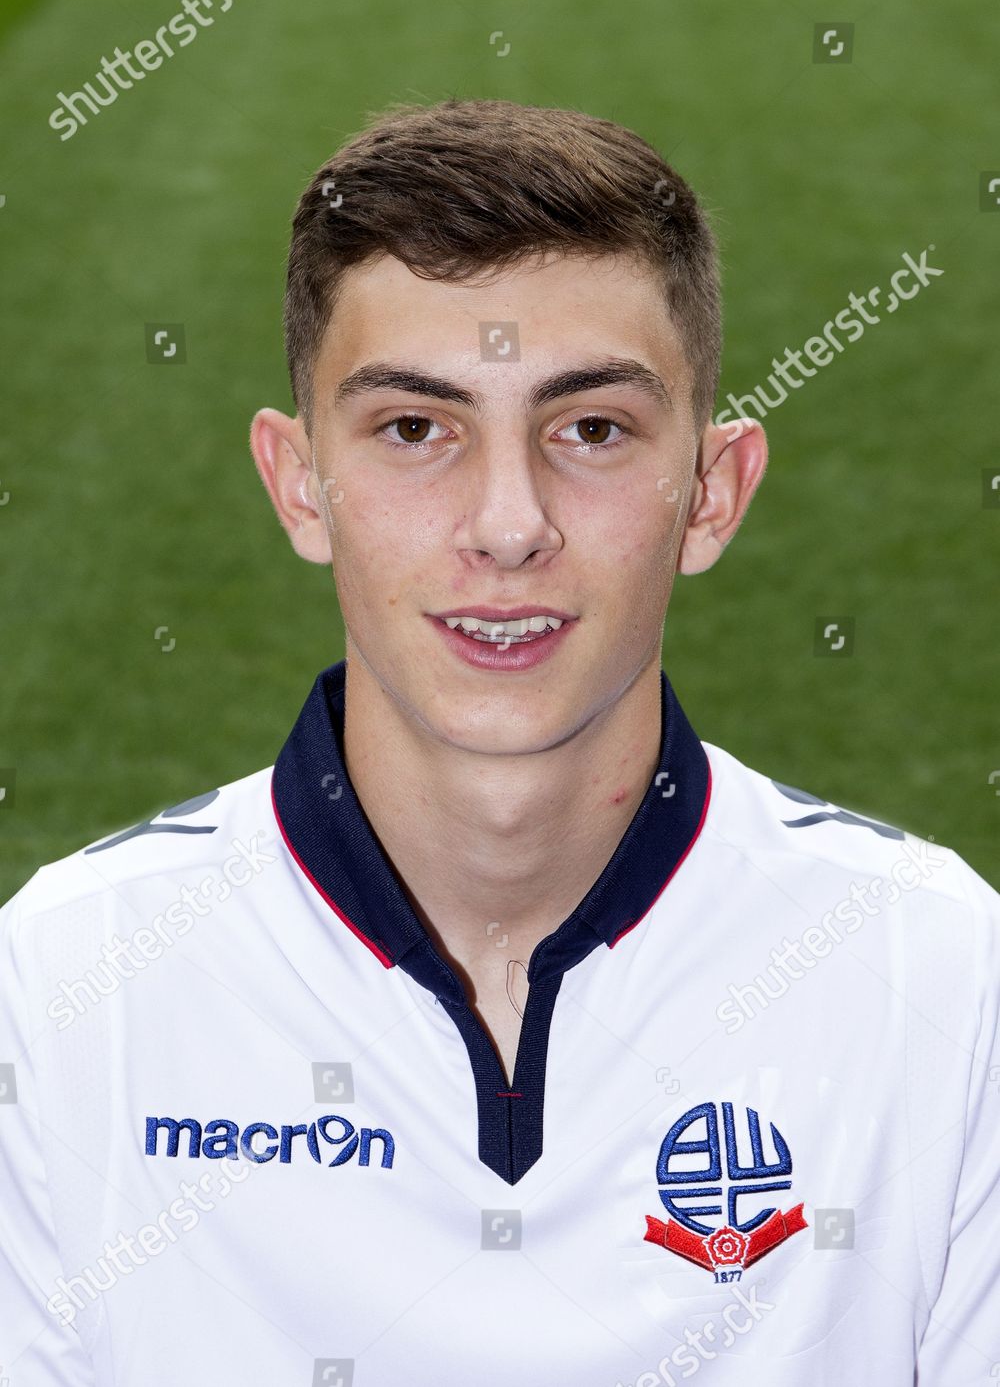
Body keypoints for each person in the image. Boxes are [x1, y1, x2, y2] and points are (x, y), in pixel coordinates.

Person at [1, 98, 996, 1386]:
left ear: (713, 491)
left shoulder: (945, 981)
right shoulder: (68, 986)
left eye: (591, 430)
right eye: (416, 429)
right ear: (302, 485)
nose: (509, 523)